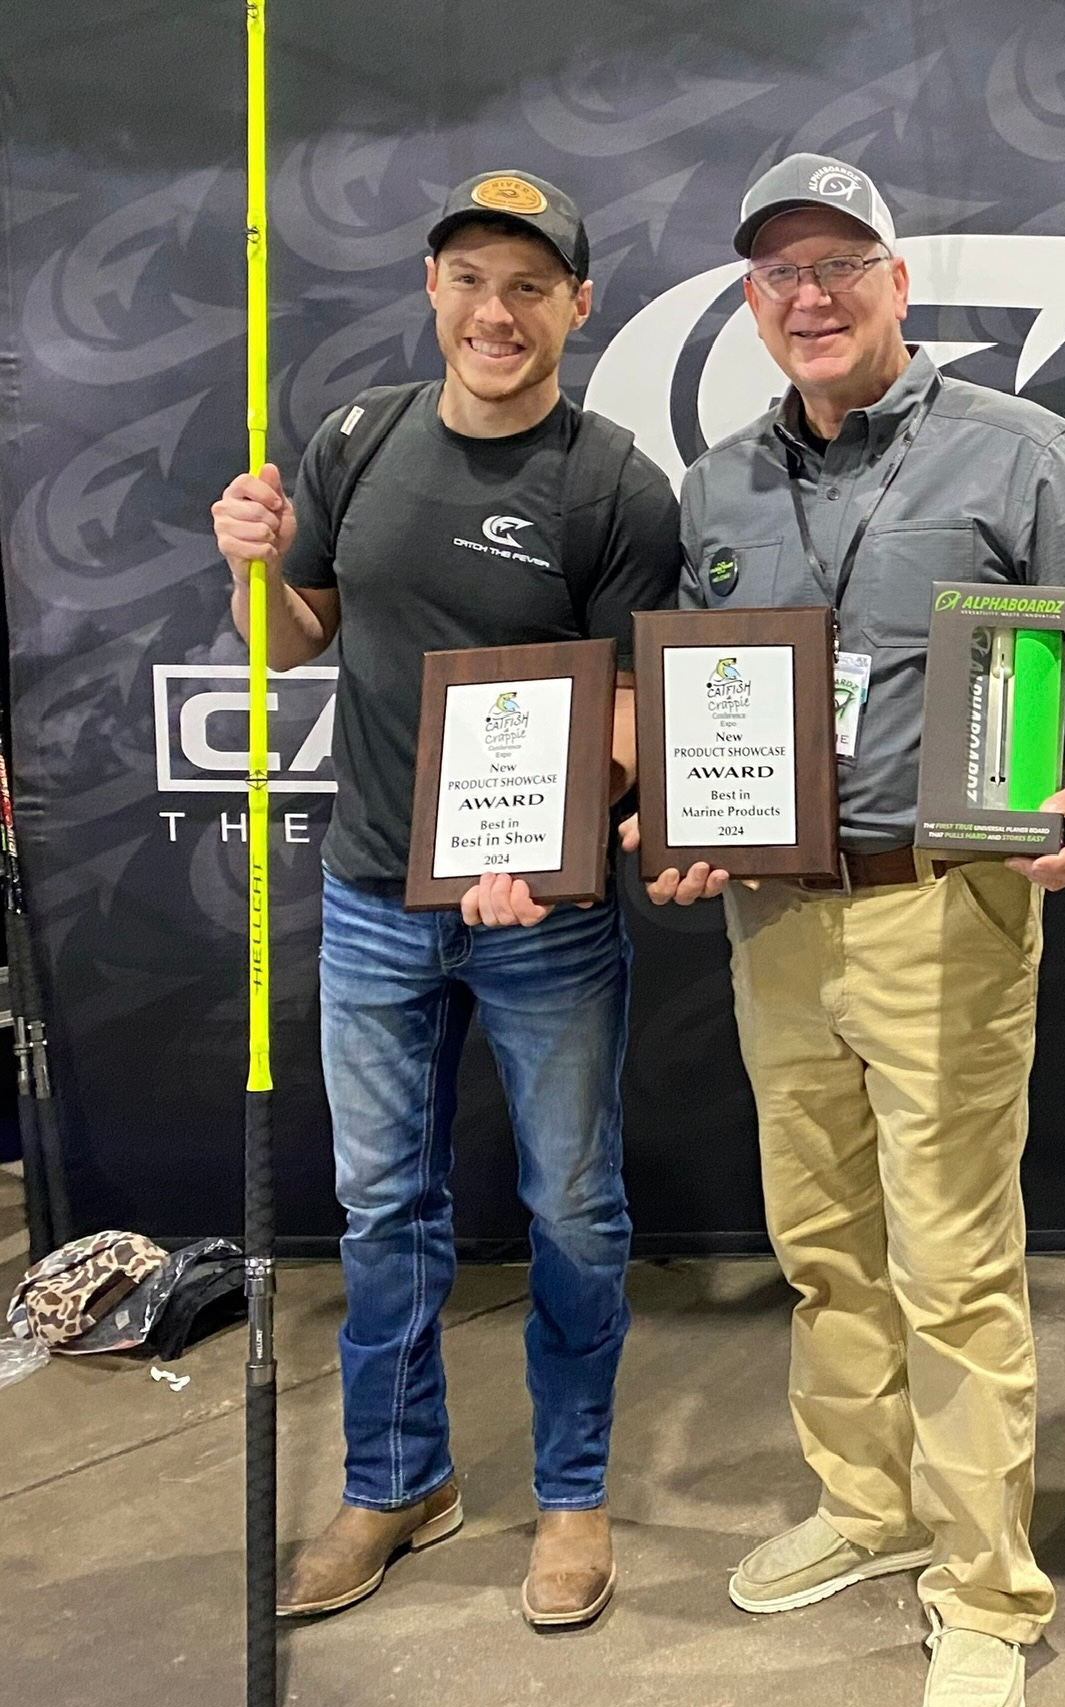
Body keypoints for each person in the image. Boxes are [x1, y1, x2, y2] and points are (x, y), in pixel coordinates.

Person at [622, 153, 1065, 1707]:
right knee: (821, 1242)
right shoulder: (720, 486)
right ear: (751, 304)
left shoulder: (1016, 449)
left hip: (946, 901)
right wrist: (681, 809)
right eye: (778, 273)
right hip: (774, 911)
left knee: (952, 1264)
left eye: (838, 265)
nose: (809, 295)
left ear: (895, 284)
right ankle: (866, 1505)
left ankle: (988, 1594)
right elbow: (697, 704)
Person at [212, 169, 679, 1629]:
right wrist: (244, 564)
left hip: (543, 916)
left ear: (576, 308)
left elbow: (624, 720)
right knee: (381, 1210)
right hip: (368, 899)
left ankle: (572, 1493)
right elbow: (296, 643)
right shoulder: (354, 439)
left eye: (531, 288)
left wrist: (539, 852)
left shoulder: (616, 485)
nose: (499, 311)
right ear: (433, 288)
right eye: (473, 279)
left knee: (576, 1212)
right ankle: (398, 1480)